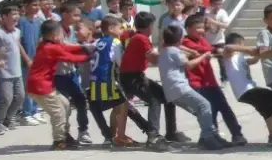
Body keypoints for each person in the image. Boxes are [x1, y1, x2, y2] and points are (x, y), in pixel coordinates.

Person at [87, 15, 160, 148]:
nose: (122, 30)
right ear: (111, 29)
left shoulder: (97, 42)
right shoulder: (115, 42)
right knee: (123, 105)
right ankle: (118, 136)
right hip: (108, 81)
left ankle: (112, 136)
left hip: (94, 82)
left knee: (116, 107)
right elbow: (121, 63)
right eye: (120, 28)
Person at [120, 11, 188, 144]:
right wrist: (170, 51)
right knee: (153, 101)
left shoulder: (138, 37)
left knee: (168, 97)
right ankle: (153, 135)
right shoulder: (141, 39)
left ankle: (171, 132)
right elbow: (154, 59)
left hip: (137, 75)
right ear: (149, 26)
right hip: (131, 77)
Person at [158, 25, 229, 151]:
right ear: (179, 39)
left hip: (172, 90)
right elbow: (189, 65)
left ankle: (208, 136)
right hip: (179, 87)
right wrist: (203, 56)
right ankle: (208, 137)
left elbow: (180, 51)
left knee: (200, 110)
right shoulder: (174, 51)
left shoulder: (164, 49)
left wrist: (192, 52)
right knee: (205, 105)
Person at [221, 33, 272, 147]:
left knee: (270, 106)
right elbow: (228, 48)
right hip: (244, 90)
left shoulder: (241, 57)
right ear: (239, 44)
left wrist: (261, 52)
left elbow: (254, 60)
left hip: (250, 89)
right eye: (242, 44)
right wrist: (250, 49)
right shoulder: (228, 56)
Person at [27, 21, 91, 150]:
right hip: (41, 86)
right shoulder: (51, 48)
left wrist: (82, 47)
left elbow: (65, 48)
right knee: (58, 112)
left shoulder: (45, 44)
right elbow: (70, 58)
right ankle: (59, 141)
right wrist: (87, 57)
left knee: (65, 104)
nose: (62, 36)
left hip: (40, 84)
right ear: (53, 35)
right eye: (60, 33)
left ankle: (65, 134)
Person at [55, 2, 94, 143]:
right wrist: (81, 47)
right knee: (63, 106)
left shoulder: (70, 30)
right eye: (75, 15)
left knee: (81, 100)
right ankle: (64, 134)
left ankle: (83, 131)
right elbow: (62, 47)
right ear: (65, 14)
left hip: (71, 72)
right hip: (57, 74)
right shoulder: (56, 29)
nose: (78, 18)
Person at [0, 5, 28, 132]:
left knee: (20, 96)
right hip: (4, 72)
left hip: (16, 70)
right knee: (6, 98)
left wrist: (26, 59)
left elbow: (18, 46)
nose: (16, 16)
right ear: (4, 17)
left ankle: (8, 118)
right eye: (13, 14)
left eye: (17, 13)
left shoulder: (17, 31)